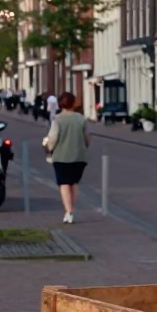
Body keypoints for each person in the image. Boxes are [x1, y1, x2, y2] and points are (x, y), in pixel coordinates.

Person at [45, 91, 89, 224]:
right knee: (74, 182)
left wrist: (48, 149)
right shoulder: (81, 119)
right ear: (73, 103)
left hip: (61, 156)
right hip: (78, 156)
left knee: (64, 183)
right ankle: (71, 210)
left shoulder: (58, 119)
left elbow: (52, 138)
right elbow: (87, 138)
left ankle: (68, 212)